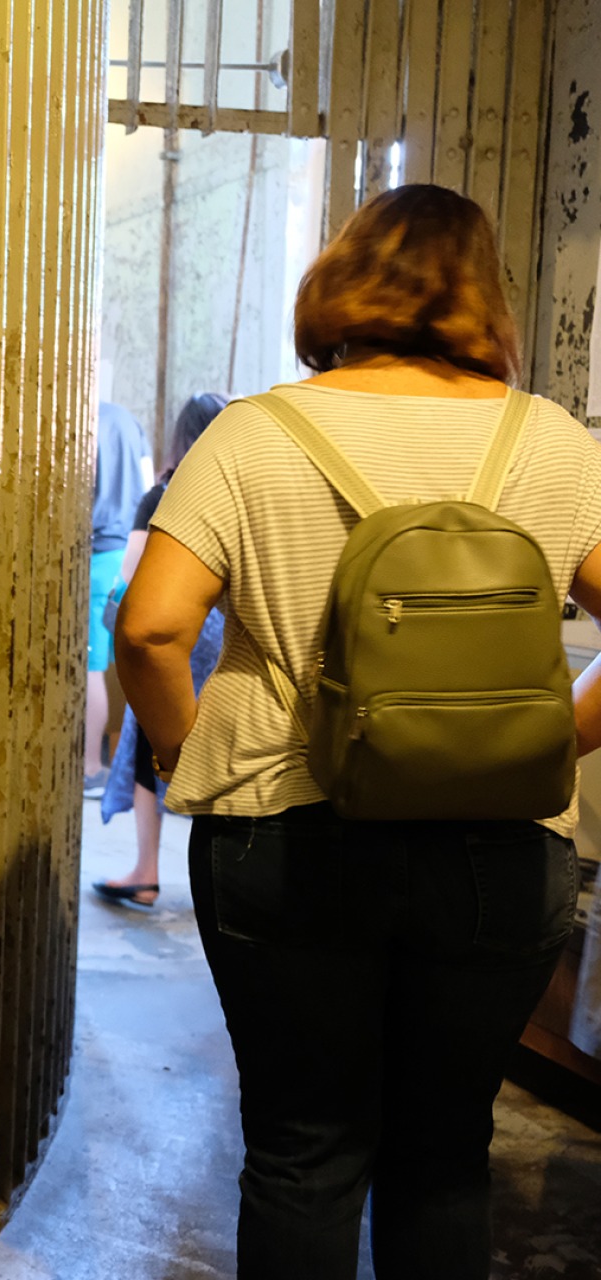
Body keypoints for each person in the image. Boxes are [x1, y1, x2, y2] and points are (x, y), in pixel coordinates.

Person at [115, 184, 601, 1279]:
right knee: (443, 1159)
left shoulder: (253, 432)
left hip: (284, 833)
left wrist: (181, 752)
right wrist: (550, 742)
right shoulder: (556, 442)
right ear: (488, 296)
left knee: (302, 1153)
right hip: (497, 849)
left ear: (338, 280)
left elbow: (149, 627)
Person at [92, 392, 230, 907]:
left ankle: (146, 872)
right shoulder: (232, 489)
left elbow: (132, 576)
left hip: (179, 636)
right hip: (226, 641)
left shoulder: (165, 495)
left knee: (147, 738)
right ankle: (218, 882)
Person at [86, 400, 153, 795]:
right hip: (126, 551)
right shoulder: (130, 419)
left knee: (90, 666)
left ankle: (92, 767)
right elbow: (146, 488)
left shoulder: (82, 418)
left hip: (94, 554)